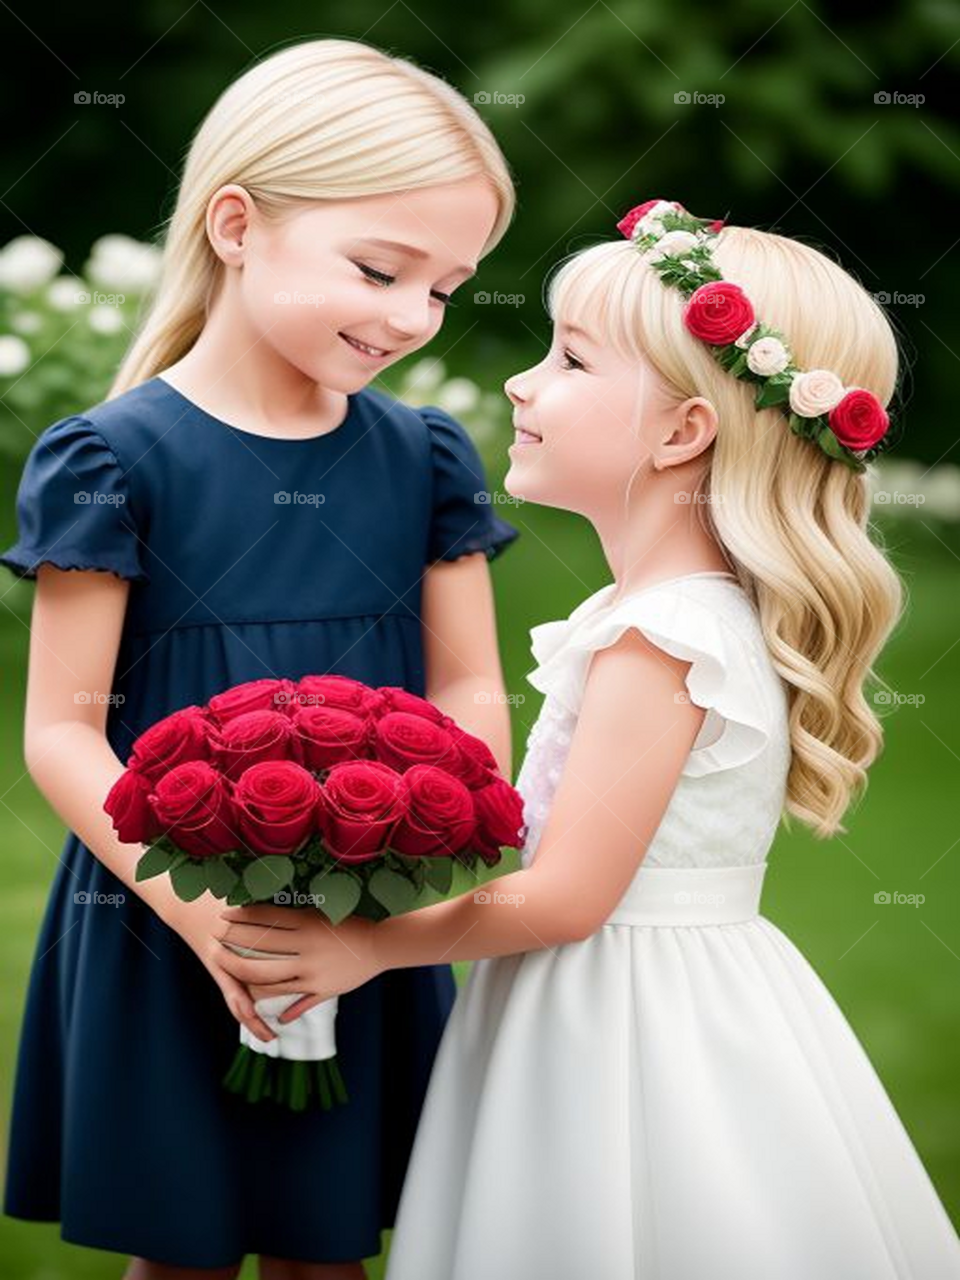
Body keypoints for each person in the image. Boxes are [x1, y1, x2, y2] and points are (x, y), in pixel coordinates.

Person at [219, 199, 960, 1278]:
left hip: (623, 1017)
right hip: (659, 986)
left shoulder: (663, 640)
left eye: (568, 359)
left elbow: (569, 894)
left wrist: (365, 947)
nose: (523, 382)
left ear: (680, 432)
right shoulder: (677, 617)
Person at [0, 37, 521, 1280]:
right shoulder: (113, 459)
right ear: (237, 223)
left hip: (371, 910)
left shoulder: (426, 458)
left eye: (446, 289)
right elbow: (63, 727)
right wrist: (204, 914)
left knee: (331, 1243)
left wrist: (421, 858)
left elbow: (468, 688)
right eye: (382, 269)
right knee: (181, 1246)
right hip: (161, 914)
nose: (411, 316)